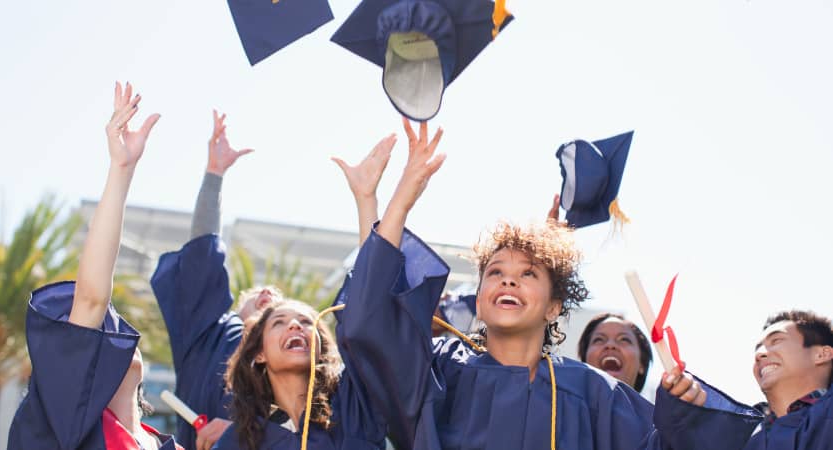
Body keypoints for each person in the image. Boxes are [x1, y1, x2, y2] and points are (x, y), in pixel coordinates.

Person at [336, 118, 759, 450]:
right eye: (496, 273)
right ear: (479, 302)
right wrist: (397, 201)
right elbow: (371, 325)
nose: (509, 281)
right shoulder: (444, 370)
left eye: (528, 275)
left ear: (555, 306)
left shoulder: (593, 392)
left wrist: (687, 413)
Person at [6, 82, 179, 449]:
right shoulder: (63, 416)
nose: (107, 332)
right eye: (99, 334)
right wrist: (122, 170)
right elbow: (91, 299)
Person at [150, 110, 278, 450]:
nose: (269, 293)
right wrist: (214, 175)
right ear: (235, 308)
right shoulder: (210, 333)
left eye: (278, 306)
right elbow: (203, 253)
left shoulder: (292, 360)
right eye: (259, 295)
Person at [212, 298, 386, 450]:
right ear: (260, 354)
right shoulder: (240, 440)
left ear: (320, 347)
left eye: (306, 322)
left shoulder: (354, 402)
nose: (295, 325)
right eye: (278, 322)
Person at [655, 310, 833, 449]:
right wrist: (678, 416)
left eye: (777, 340)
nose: (760, 354)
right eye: (758, 347)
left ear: (822, 354)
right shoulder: (735, 437)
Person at [578, 313, 652, 393]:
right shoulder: (563, 404)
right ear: (584, 361)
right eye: (599, 339)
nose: (610, 345)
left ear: (642, 363)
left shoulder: (664, 405)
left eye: (624, 339)